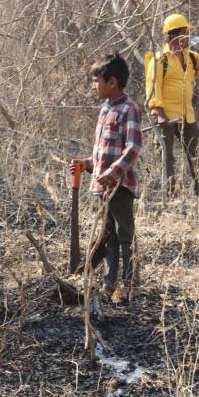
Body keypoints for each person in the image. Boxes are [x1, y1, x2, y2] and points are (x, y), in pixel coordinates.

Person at [71, 54, 142, 300]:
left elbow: (132, 149)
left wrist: (112, 174)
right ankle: (109, 285)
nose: (93, 86)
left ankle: (131, 284)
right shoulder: (105, 110)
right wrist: (87, 164)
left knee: (125, 235)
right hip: (103, 187)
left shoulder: (128, 109)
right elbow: (103, 153)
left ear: (112, 82)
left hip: (120, 186)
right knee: (107, 237)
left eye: (96, 81)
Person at [145, 14, 199, 195]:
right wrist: (160, 114)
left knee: (197, 152)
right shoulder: (159, 60)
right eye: (184, 33)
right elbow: (152, 89)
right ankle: (169, 194)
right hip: (167, 116)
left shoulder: (192, 58)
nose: (188, 37)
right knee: (166, 157)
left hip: (187, 115)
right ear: (172, 35)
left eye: (188, 33)